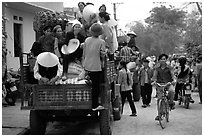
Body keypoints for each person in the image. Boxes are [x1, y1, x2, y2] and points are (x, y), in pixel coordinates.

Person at [82, 23, 107, 110]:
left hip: (86, 65)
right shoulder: (101, 42)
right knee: (96, 87)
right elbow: (102, 54)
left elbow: (84, 53)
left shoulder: (87, 40)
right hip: (96, 67)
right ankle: (95, 105)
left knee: (90, 84)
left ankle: (88, 80)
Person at [152, 54, 176, 120]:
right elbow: (154, 76)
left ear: (166, 60)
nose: (163, 60)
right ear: (159, 60)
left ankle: (171, 102)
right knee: (159, 99)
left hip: (168, 83)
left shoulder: (169, 67)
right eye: (161, 59)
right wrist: (154, 81)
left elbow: (173, 75)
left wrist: (173, 80)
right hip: (160, 85)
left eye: (164, 59)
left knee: (172, 91)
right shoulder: (157, 68)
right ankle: (159, 114)